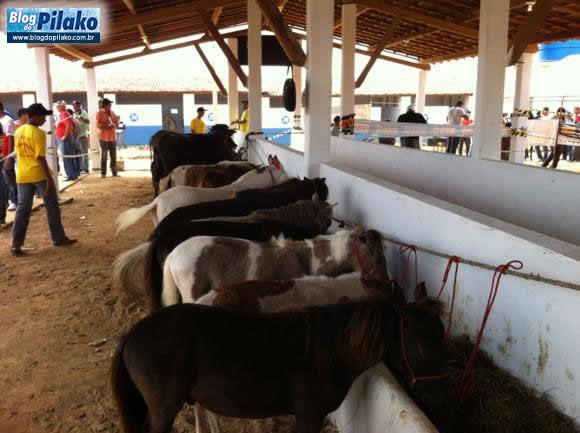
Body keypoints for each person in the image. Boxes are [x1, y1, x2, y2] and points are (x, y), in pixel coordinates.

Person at [10, 103, 77, 256]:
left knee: (22, 209)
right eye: (43, 117)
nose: (45, 120)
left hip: (22, 175)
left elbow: (18, 153)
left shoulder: (19, 130)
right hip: (39, 174)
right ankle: (58, 238)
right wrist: (49, 180)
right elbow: (40, 158)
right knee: (52, 206)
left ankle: (15, 245)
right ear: (35, 116)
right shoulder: (39, 133)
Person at [0, 102, 18, 210]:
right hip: (2, 155)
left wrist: (10, 157)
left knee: (9, 179)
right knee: (3, 180)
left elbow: (12, 139)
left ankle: (15, 200)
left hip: (7, 155)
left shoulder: (7, 120)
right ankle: (6, 201)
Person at [96, 98, 120, 178]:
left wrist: (116, 123)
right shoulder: (99, 113)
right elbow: (98, 125)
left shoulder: (112, 113)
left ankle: (114, 172)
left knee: (114, 156)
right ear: (105, 105)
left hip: (112, 137)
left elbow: (116, 121)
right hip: (104, 137)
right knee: (104, 156)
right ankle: (103, 173)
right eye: (109, 104)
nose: (111, 105)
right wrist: (106, 125)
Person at [55, 101, 79, 181]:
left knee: (67, 158)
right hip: (67, 138)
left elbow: (69, 125)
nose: (57, 107)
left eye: (58, 105)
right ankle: (72, 174)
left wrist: (65, 136)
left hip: (65, 140)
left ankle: (71, 175)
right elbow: (74, 125)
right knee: (68, 157)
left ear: (63, 106)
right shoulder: (65, 113)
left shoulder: (64, 114)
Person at [72, 100, 90, 173]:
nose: (74, 107)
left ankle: (86, 168)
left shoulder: (84, 112)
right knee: (78, 153)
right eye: (73, 106)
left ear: (79, 106)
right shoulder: (73, 114)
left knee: (84, 153)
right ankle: (79, 168)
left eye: (75, 105)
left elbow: (88, 122)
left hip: (82, 136)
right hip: (75, 137)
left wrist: (82, 119)